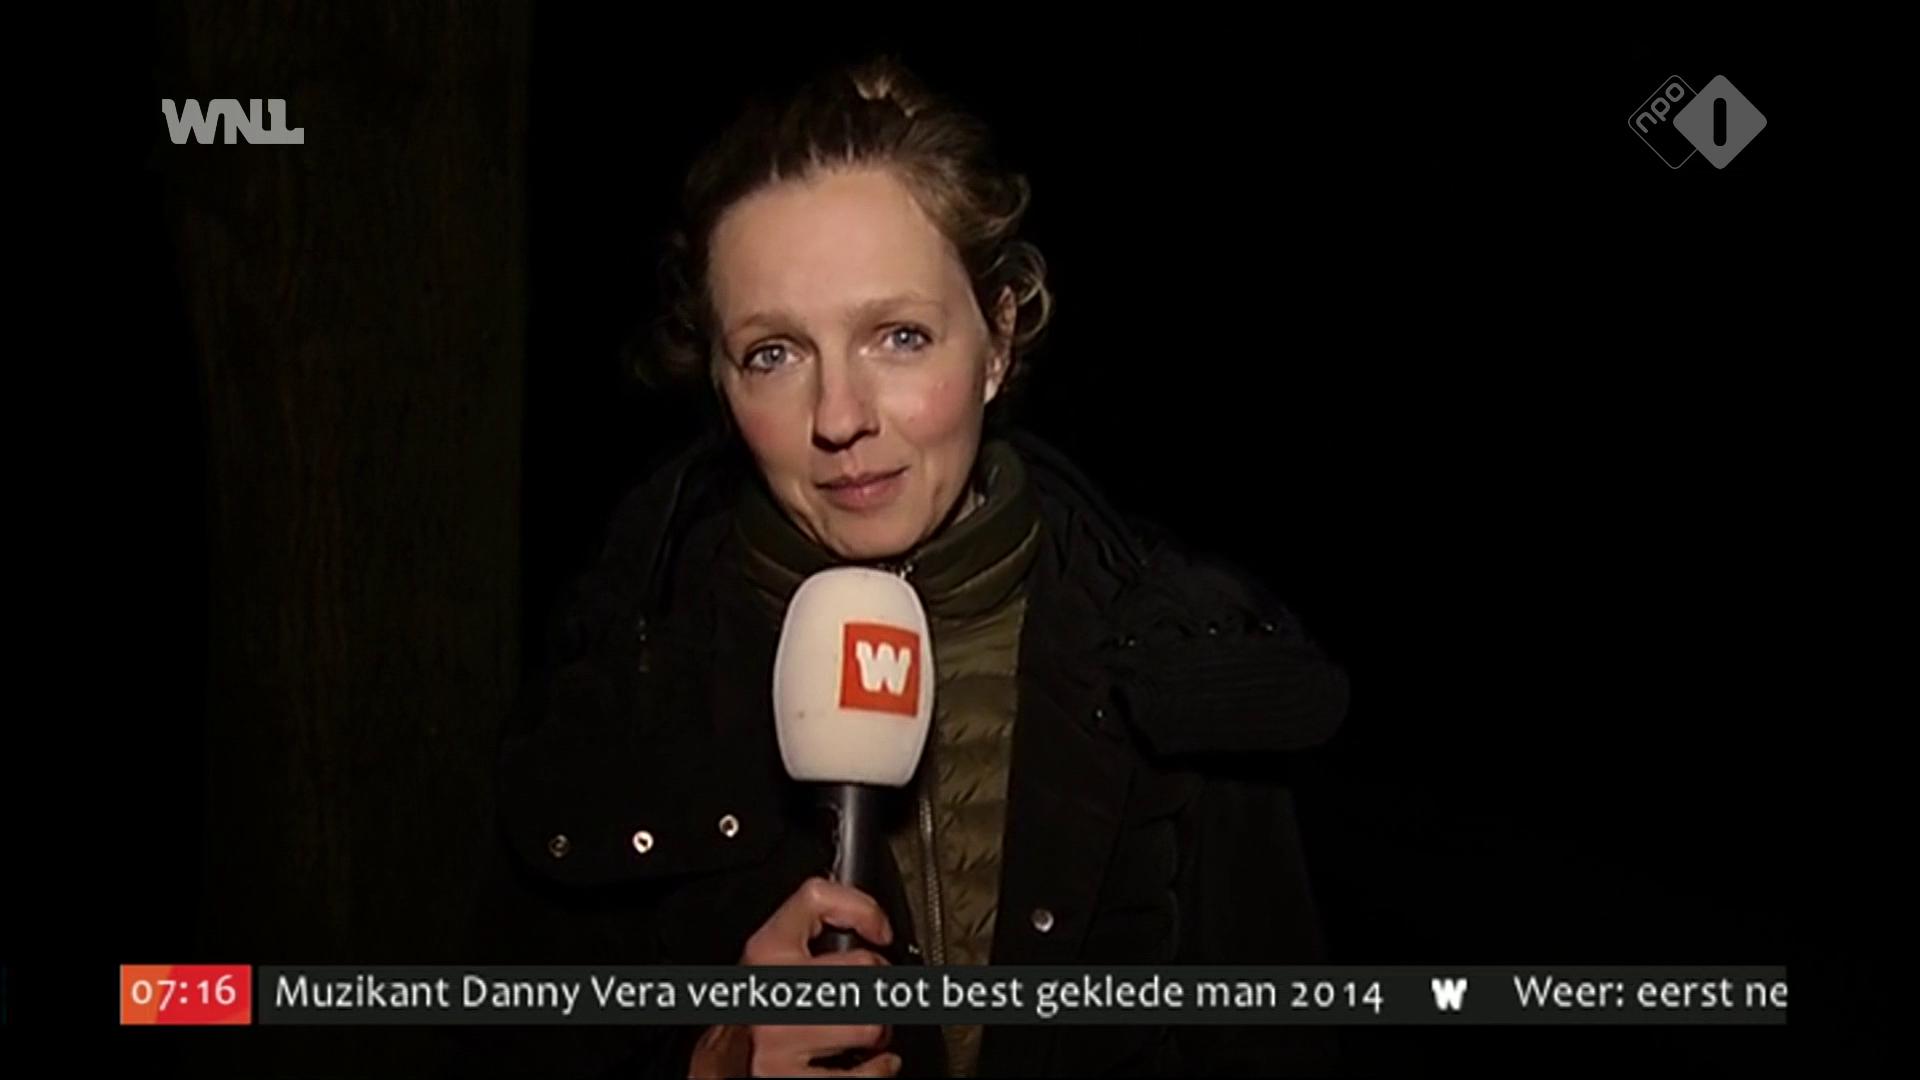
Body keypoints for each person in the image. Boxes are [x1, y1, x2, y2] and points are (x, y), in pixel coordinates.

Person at [473, 56, 1349, 1079]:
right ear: (716, 377)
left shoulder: (1185, 663)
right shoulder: (620, 689)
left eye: (899, 336)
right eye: (773, 353)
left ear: (998, 337)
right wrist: (713, 1061)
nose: (840, 417)